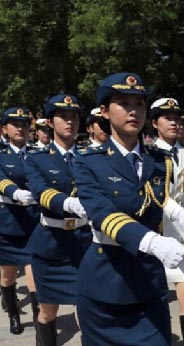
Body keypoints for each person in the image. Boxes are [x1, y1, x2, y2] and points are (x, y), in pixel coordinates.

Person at [73, 72, 184, 345]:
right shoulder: (88, 161)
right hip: (106, 278)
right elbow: (101, 213)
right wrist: (151, 241)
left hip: (148, 282)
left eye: (139, 104)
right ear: (104, 111)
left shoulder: (159, 160)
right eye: (123, 103)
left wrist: (176, 211)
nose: (133, 111)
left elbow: (157, 197)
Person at [25, 94, 92, 345]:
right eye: (63, 117)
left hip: (83, 244)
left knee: (85, 308)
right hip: (52, 246)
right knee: (47, 311)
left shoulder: (89, 156)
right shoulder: (37, 158)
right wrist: (67, 203)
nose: (70, 122)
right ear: (50, 123)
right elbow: (40, 192)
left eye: (74, 116)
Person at [150, 97, 184, 345]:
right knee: (153, 296)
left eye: (176, 118)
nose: (173, 122)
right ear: (154, 123)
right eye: (167, 118)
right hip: (155, 229)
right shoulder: (148, 155)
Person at [0, 107, 40, 335]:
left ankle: (40, 321)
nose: (20, 128)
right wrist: (14, 192)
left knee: (34, 277)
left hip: (33, 225)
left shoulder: (37, 154)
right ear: (5, 129)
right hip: (8, 226)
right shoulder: (1, 155)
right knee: (7, 277)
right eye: (15, 124)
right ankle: (14, 314)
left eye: (24, 124)